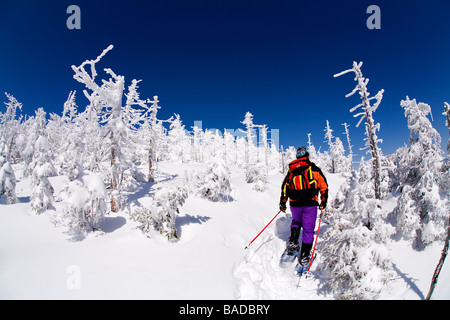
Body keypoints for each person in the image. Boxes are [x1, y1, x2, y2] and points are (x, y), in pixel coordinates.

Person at [279, 146, 328, 267]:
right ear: (307, 156)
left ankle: (293, 243)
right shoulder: (314, 169)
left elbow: (285, 188)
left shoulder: (291, 171)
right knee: (308, 228)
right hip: (310, 203)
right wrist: (323, 202)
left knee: (296, 221)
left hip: (294, 203)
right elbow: (323, 186)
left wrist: (283, 202)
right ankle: (305, 255)